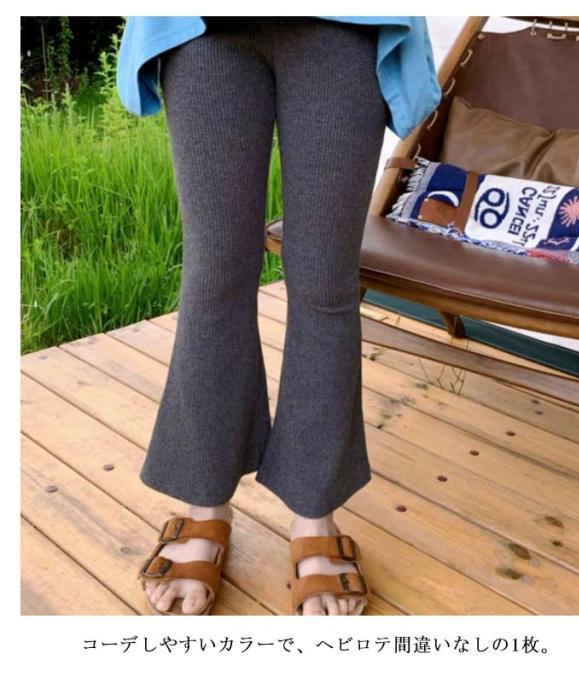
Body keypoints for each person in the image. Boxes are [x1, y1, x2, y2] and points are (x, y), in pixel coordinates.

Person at [116, 15, 440, 616]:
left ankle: (315, 514)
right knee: (214, 276)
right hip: (203, 28)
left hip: (342, 25)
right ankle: (205, 504)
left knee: (325, 281)